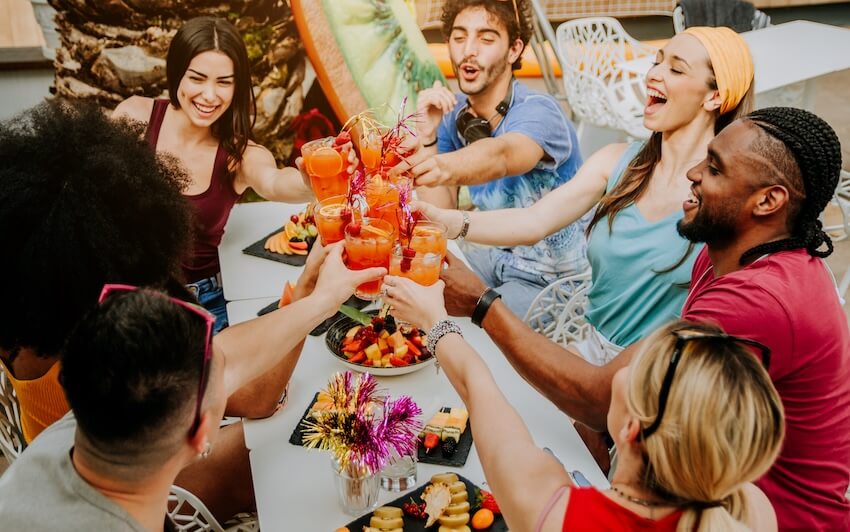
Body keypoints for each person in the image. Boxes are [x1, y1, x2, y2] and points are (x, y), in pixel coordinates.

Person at [435, 106, 850, 530]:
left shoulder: (760, 300)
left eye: (715, 168)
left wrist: (483, 305)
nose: (693, 173)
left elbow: (601, 400)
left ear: (768, 201)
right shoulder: (724, 249)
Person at [0, 101, 341, 522]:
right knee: (286, 443)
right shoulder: (121, 347)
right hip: (150, 478)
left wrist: (312, 294)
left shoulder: (41, 325)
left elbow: (226, 366)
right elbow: (254, 394)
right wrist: (316, 299)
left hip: (85, 465)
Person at [416, 26, 754, 364]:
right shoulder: (617, 161)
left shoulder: (724, 196)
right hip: (590, 351)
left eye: (676, 69)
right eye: (657, 62)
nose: (654, 74)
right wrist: (448, 221)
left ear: (714, 97)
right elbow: (534, 221)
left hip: (660, 373)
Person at [0, 244, 383, 531]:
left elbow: (231, 356)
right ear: (202, 436)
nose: (228, 369)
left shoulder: (90, 411)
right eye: (220, 381)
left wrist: (318, 299)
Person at [383, 275, 784, 531]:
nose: (621, 366)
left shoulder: (556, 513)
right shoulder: (750, 510)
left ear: (632, 428)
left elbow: (477, 384)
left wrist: (432, 317)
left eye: (633, 363)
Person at [113, 16, 348, 332]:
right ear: (177, 72)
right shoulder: (134, 118)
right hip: (122, 299)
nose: (210, 95)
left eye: (224, 82)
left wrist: (312, 179)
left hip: (201, 306)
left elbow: (275, 182)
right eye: (197, 78)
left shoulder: (239, 154)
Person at [399, 0, 586, 318]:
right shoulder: (453, 114)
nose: (468, 51)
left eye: (485, 39)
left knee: (467, 329)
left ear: (514, 50)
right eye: (459, 38)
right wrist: (427, 135)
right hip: (495, 256)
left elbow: (501, 155)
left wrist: (442, 165)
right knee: (411, 291)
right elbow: (442, 214)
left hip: (554, 281)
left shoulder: (539, 111)